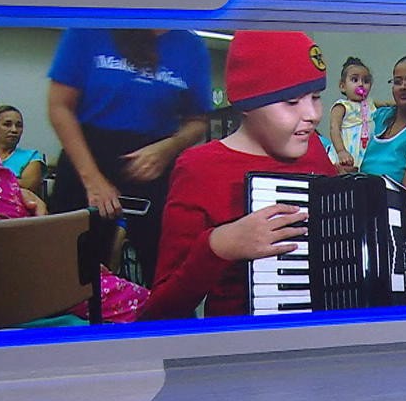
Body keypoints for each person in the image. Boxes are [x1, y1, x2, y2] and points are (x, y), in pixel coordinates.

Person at [0, 25, 148, 324]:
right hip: (5, 263)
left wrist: (18, 195)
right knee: (143, 310)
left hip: (27, 245)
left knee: (134, 298)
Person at [136, 30, 336, 322]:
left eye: (316, 97)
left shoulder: (314, 148)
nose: (313, 114)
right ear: (247, 104)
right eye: (291, 101)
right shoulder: (198, 169)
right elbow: (161, 311)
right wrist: (218, 246)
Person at [46, 27, 213, 287]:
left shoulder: (190, 45)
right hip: (87, 158)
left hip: (154, 162)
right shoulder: (88, 31)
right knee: (73, 275)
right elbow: (59, 106)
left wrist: (169, 147)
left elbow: (198, 120)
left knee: (165, 273)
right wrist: (92, 180)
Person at [359, 54, 406, 190]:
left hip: (390, 200)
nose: (403, 87)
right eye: (397, 81)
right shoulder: (380, 116)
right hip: (356, 190)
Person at [328, 56, 392, 174]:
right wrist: (341, 151)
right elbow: (334, 128)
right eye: (355, 80)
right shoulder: (342, 106)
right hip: (347, 152)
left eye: (366, 81)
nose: (361, 84)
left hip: (365, 153)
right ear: (342, 86)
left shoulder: (370, 104)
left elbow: (388, 104)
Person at [0, 104, 45, 197]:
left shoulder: (31, 157)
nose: (14, 130)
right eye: (7, 124)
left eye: (19, 126)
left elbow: (28, 186)